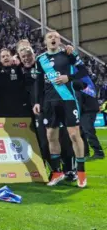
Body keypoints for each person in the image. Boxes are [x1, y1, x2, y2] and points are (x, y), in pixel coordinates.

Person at [33, 31, 89, 188]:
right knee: (51, 136)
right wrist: (37, 102)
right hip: (49, 102)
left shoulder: (68, 54)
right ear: (45, 41)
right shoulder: (40, 59)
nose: (53, 39)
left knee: (73, 135)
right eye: (50, 37)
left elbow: (84, 71)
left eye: (56, 37)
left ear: (59, 41)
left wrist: (68, 78)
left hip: (68, 100)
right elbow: (38, 82)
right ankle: (57, 172)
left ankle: (81, 173)